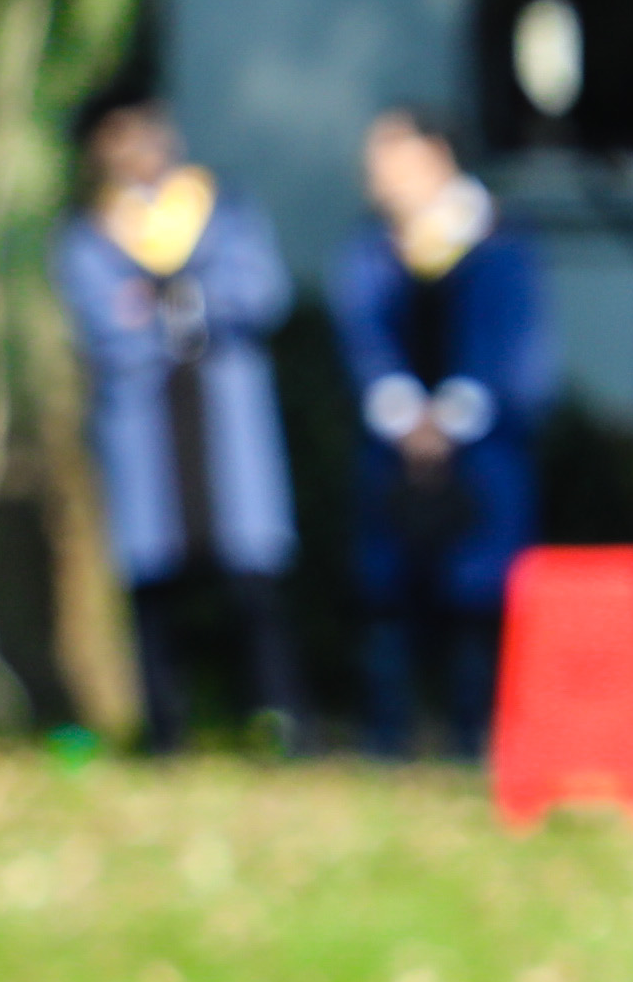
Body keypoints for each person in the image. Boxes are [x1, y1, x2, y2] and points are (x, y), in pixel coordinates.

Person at [55, 98, 305, 750]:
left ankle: (277, 718)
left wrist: (168, 304)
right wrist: (194, 313)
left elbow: (260, 295)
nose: (136, 149)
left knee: (252, 580)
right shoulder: (91, 231)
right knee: (154, 585)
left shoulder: (223, 210)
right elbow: (105, 331)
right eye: (118, 138)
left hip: (223, 417)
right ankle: (168, 728)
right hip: (146, 423)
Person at [335, 105, 542, 760]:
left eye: (388, 160)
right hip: (392, 457)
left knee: (476, 608)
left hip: (483, 458)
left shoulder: (500, 245)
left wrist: (451, 420)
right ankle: (389, 742)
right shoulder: (369, 252)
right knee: (391, 609)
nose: (376, 178)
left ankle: (473, 744)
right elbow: (364, 343)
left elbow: (518, 353)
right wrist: (404, 418)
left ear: (434, 158)